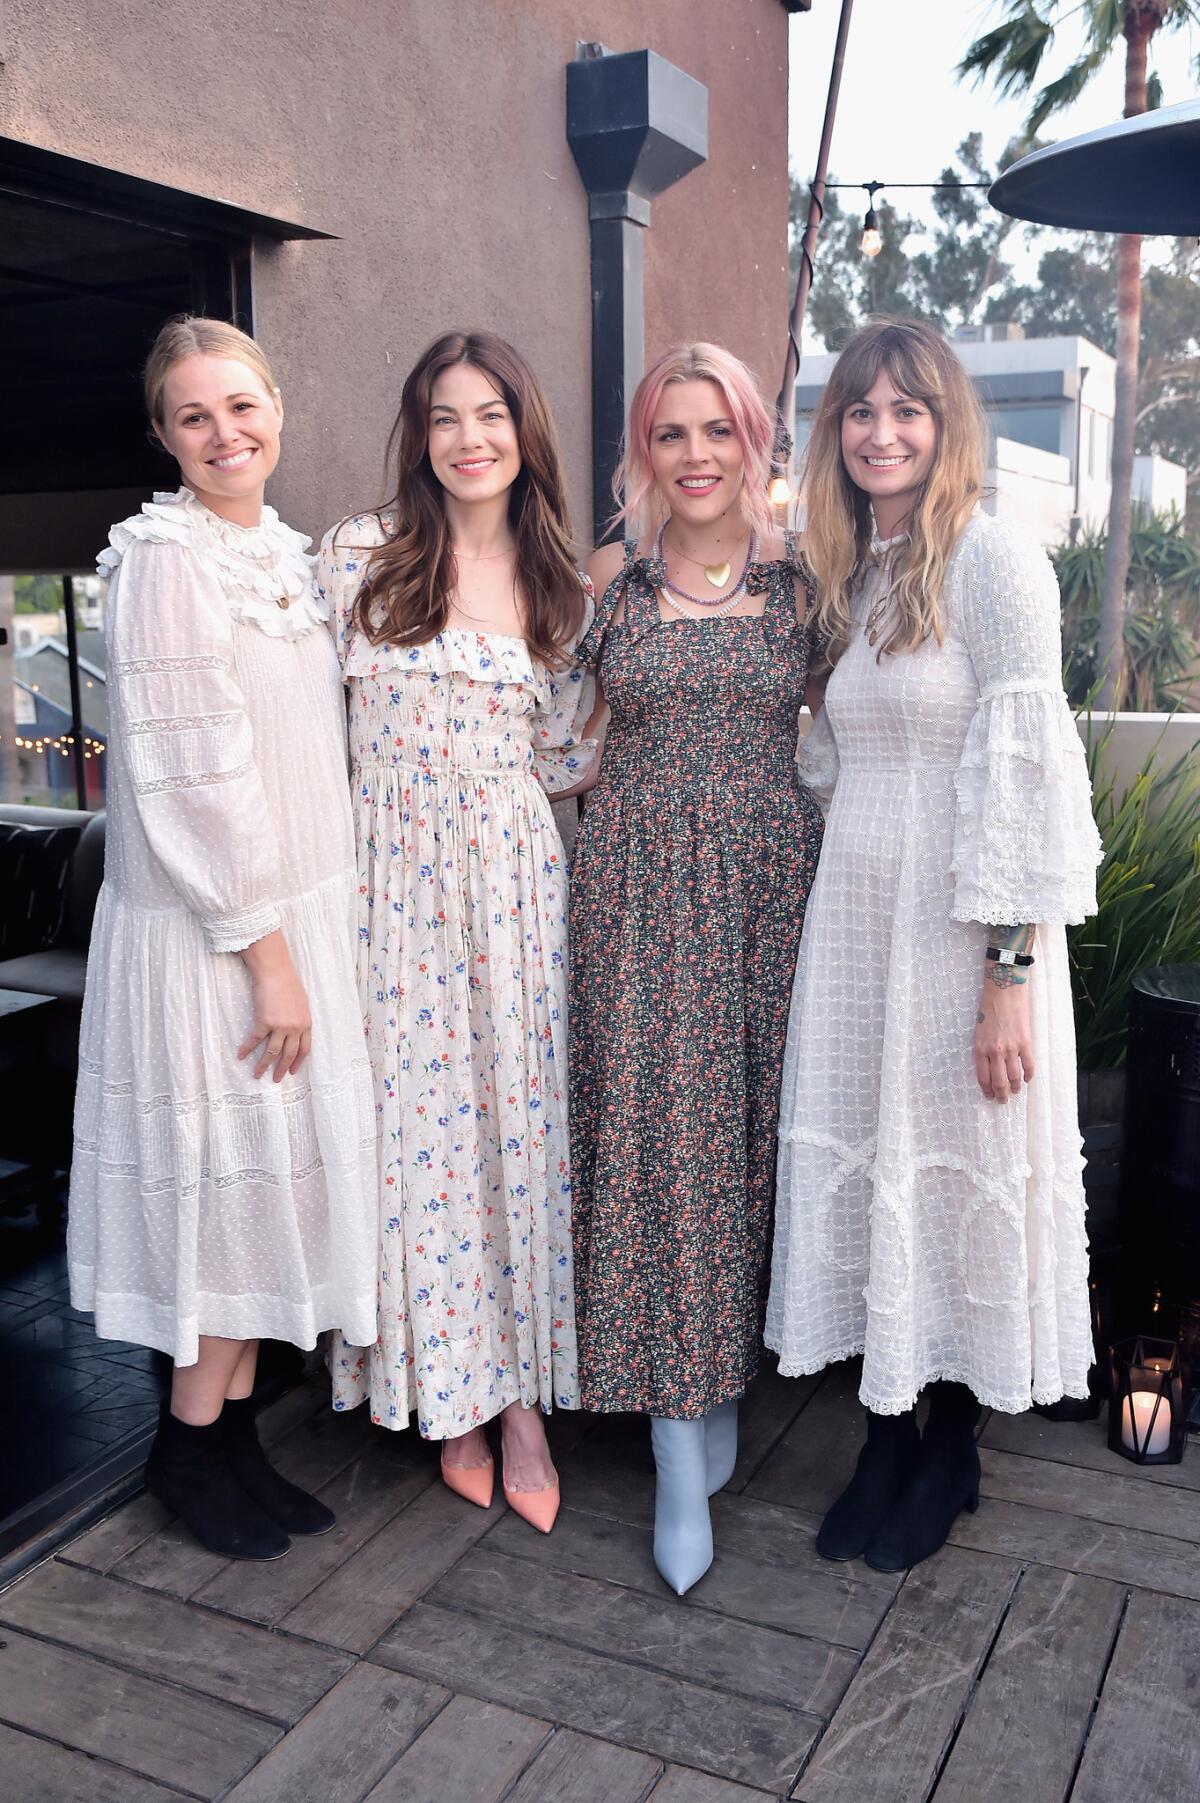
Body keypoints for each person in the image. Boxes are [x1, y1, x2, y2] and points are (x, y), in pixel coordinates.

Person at [766, 318, 1103, 1571]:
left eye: (907, 410)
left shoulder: (994, 560)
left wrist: (1008, 977)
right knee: (877, 1164)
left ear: (946, 423)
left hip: (964, 933)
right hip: (860, 933)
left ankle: (948, 1449)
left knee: (955, 1169)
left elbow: (1021, 775)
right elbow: (832, 764)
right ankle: (887, 1433)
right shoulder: (853, 573)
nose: (882, 432)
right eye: (859, 412)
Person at [68, 316, 378, 1561]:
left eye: (240, 406)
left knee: (270, 1199)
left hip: (296, 922)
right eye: (194, 416)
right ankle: (184, 1447)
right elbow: (195, 777)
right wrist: (266, 953)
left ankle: (230, 1437)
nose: (223, 433)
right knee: (219, 1193)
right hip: (218, 938)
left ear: (277, 408)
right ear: (163, 435)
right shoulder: (162, 558)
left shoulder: (296, 558)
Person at [317, 330, 594, 1534]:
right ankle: (452, 1397)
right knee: (414, 1141)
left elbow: (573, 754)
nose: (469, 438)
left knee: (514, 1137)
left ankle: (524, 1397)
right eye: (444, 417)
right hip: (384, 887)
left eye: (490, 414)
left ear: (524, 431)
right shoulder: (358, 556)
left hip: (513, 887)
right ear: (419, 435)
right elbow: (306, 734)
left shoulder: (561, 590)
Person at [568, 343, 824, 1594]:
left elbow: (868, 736)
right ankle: (677, 1457)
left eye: (717, 430)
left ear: (756, 440)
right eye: (672, 434)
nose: (697, 455)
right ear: (645, 452)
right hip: (637, 903)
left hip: (776, 902)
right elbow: (549, 738)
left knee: (749, 1151)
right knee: (668, 1159)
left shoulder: (803, 590)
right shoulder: (609, 588)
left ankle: (720, 1382)